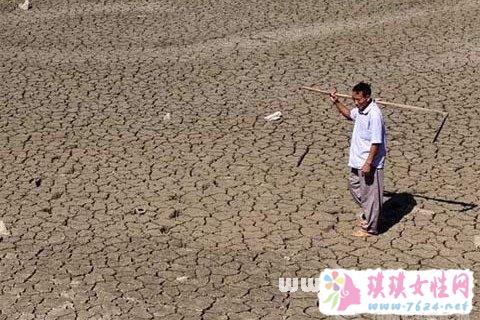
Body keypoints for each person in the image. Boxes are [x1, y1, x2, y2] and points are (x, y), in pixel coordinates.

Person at [330, 82, 387, 237]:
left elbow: (376, 142)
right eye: (353, 99)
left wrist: (369, 163)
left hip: (369, 162)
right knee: (354, 186)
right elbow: (349, 114)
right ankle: (371, 214)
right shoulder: (361, 110)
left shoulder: (374, 114)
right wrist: (336, 102)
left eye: (359, 99)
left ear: (367, 97)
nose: (356, 102)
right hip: (356, 160)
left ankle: (371, 228)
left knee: (371, 195)